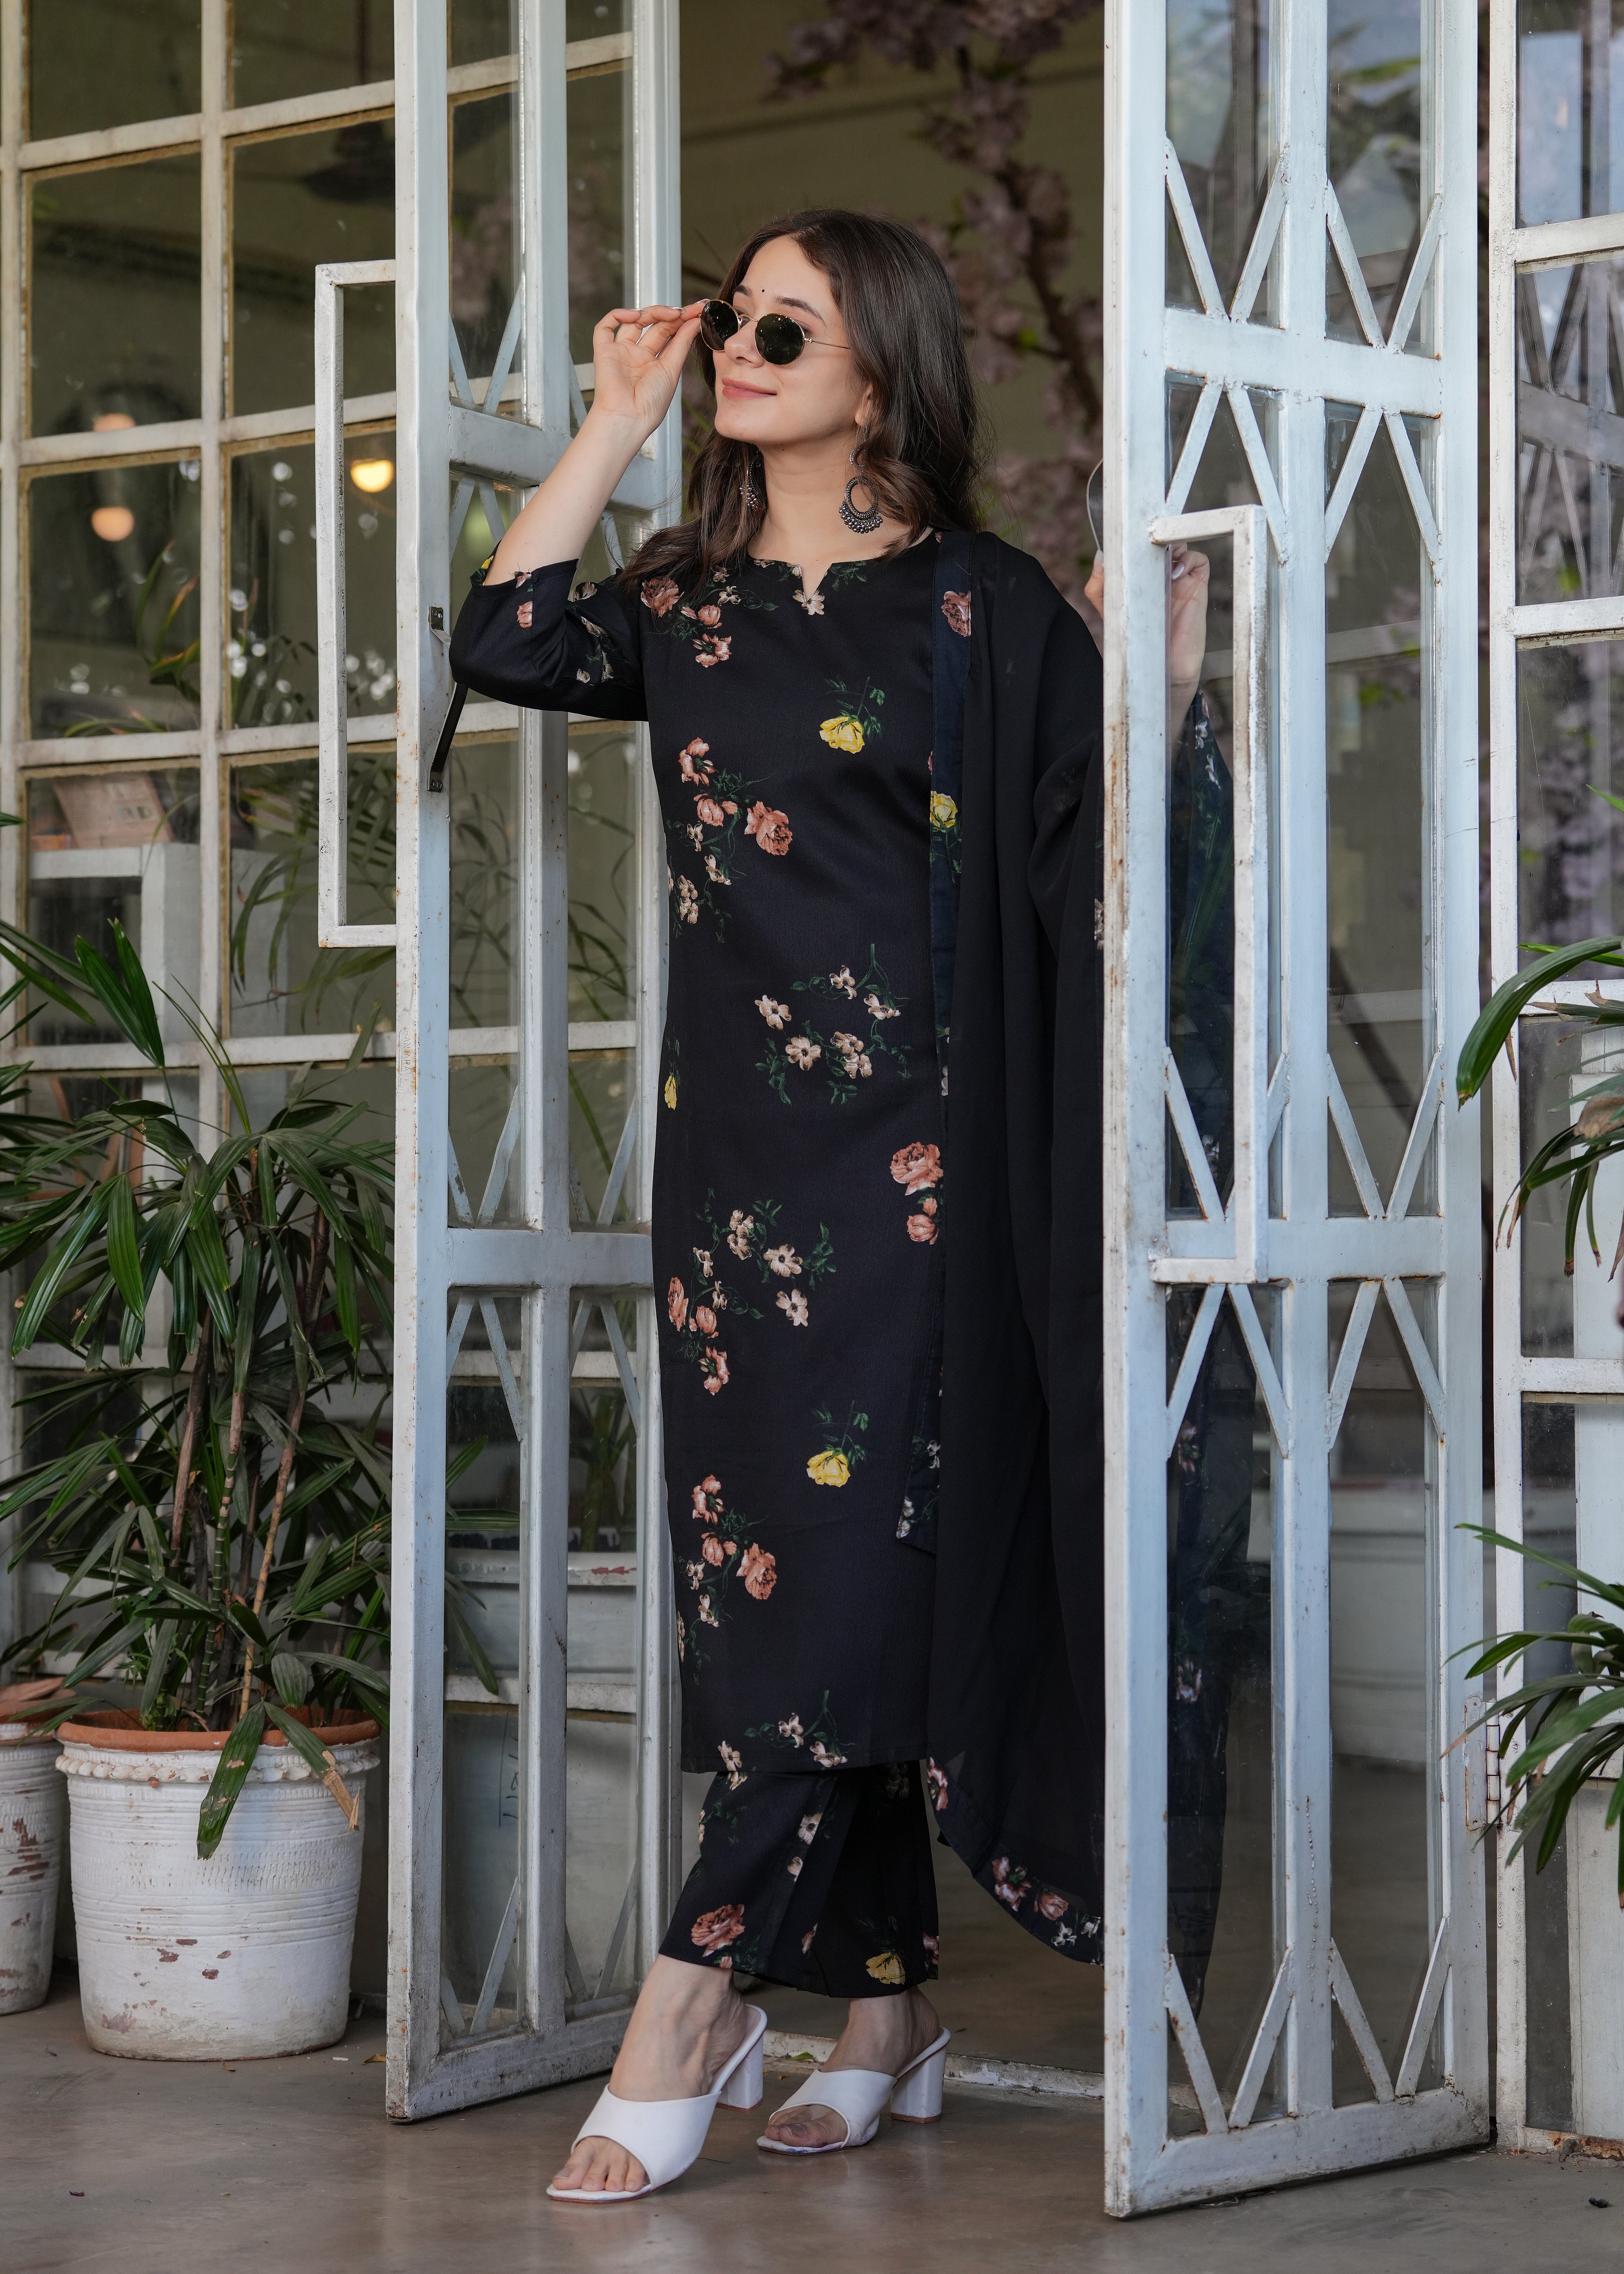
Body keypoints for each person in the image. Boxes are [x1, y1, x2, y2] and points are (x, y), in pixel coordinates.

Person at [449, 208, 1210, 2202]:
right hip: (734, 1187)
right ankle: (887, 2009)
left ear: (877, 364)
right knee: (770, 1576)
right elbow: (501, 639)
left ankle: (693, 1995)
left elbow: (1095, 851)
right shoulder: (684, 602)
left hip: (921, 1182)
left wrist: (1156, 695)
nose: (737, 342)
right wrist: (613, 416)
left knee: (856, 1571)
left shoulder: (975, 607)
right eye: (730, 316)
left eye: (779, 319)